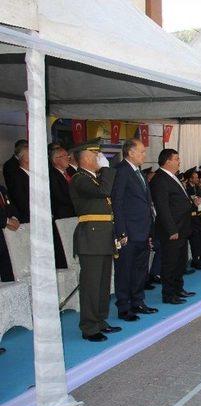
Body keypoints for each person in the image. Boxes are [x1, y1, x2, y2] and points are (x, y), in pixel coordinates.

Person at [68, 141, 121, 342]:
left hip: (103, 236)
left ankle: (100, 320)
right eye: (95, 155)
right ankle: (89, 327)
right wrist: (107, 170)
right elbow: (103, 192)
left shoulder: (95, 178)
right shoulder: (79, 179)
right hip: (90, 238)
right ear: (86, 159)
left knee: (103, 283)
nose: (99, 158)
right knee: (91, 284)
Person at [111, 139, 157, 322]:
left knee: (140, 269)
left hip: (142, 230)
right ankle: (124, 307)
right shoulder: (121, 171)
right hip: (128, 232)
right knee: (125, 270)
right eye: (142, 151)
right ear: (130, 152)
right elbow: (118, 203)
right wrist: (121, 232)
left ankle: (138, 301)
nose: (144, 155)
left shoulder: (138, 172)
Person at [150, 149, 200, 305]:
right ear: (167, 161)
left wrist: (193, 204)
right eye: (176, 159)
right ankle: (169, 294)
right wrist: (171, 230)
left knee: (180, 261)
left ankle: (178, 289)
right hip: (172, 229)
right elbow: (162, 208)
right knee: (170, 263)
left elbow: (179, 201)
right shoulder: (160, 179)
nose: (179, 161)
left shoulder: (172, 177)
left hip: (183, 227)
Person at [8, 145, 29, 223]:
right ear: (25, 158)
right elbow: (21, 201)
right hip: (28, 218)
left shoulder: (34, 175)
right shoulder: (16, 177)